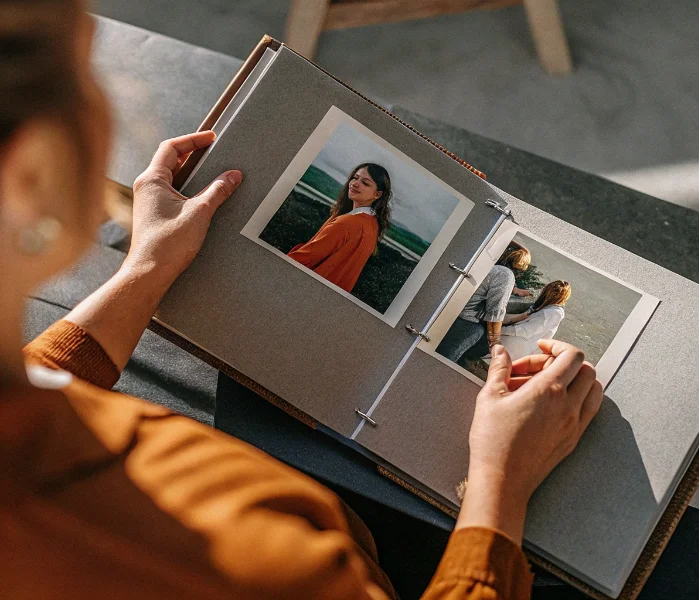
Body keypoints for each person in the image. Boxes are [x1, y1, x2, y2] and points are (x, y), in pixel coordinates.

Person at [0, 3, 603, 598]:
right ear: (33, 171)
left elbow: (35, 390)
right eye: (92, 73)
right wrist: (501, 482)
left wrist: (149, 267)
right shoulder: (260, 562)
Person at [287, 163, 391, 293]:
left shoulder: (346, 224)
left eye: (365, 183)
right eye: (355, 177)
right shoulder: (374, 224)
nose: (355, 183)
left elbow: (305, 258)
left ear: (377, 194)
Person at [437, 241, 532, 363]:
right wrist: (495, 344)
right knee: (444, 362)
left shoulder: (487, 265)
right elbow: (495, 312)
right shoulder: (505, 275)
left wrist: (514, 289)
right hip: (466, 323)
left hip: (450, 314)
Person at [498, 280, 572, 362]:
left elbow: (524, 330)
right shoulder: (550, 308)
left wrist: (497, 330)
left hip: (514, 346)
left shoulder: (551, 314)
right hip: (517, 344)